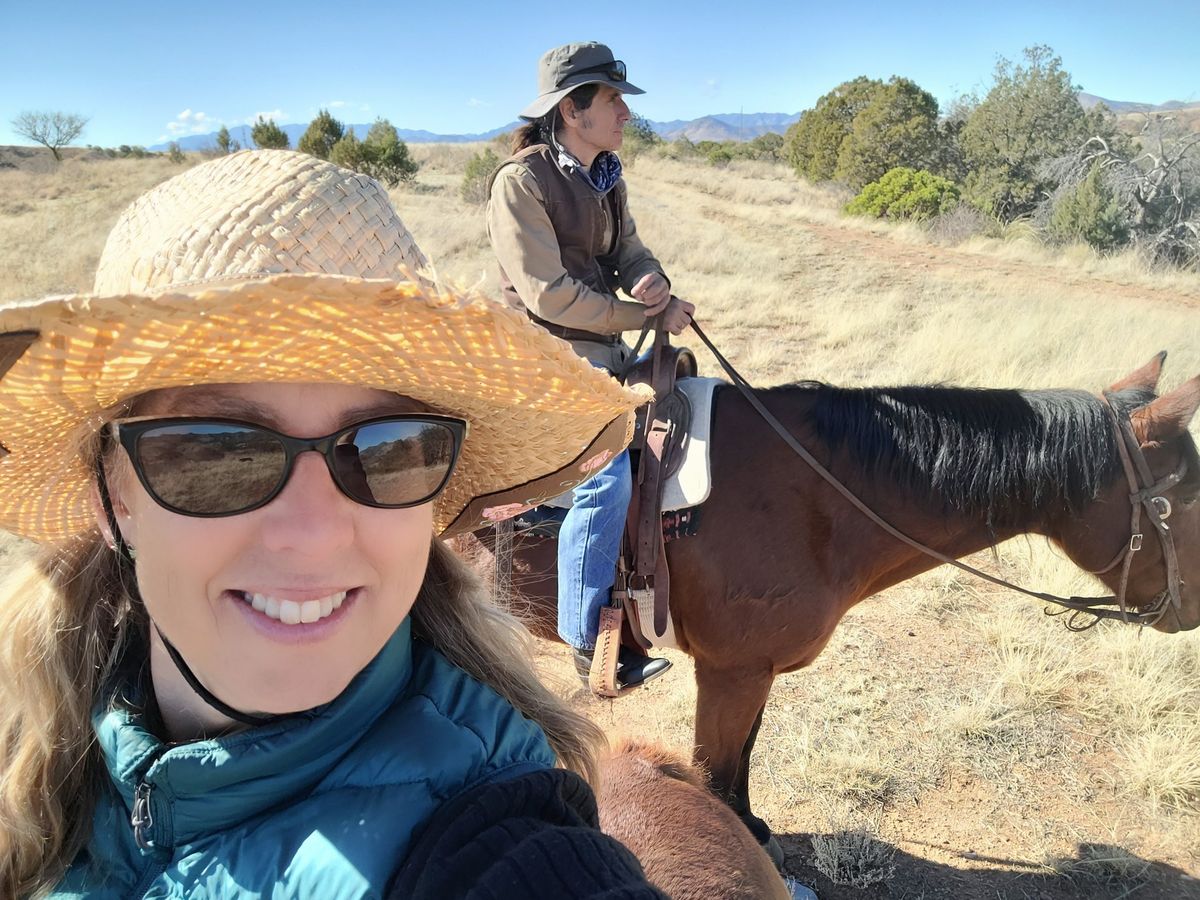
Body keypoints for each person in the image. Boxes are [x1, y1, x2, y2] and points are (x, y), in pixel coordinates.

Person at [0, 150, 669, 899]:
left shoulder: (504, 854)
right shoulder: (25, 758)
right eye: (217, 452)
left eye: (389, 450)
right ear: (109, 496)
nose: (314, 535)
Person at [487, 41, 694, 691]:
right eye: (612, 101)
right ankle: (587, 643)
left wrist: (651, 279)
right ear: (573, 111)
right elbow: (548, 296)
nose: (625, 115)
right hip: (541, 358)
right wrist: (644, 317)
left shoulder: (605, 177)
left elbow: (628, 250)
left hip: (601, 353)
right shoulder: (521, 183)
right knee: (604, 478)